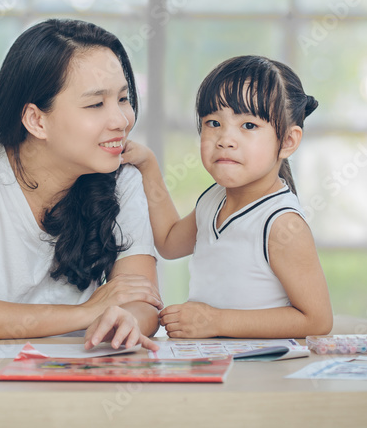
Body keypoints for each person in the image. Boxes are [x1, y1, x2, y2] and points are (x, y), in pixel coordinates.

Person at [0, 19, 162, 350]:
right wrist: (86, 313)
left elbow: (142, 302)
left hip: (65, 384)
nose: (121, 120)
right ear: (36, 120)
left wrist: (129, 320)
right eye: (96, 104)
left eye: (123, 98)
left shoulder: (122, 178)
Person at [122, 55, 333, 339]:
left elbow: (317, 320)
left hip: (261, 372)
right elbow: (170, 243)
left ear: (287, 141)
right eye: (213, 122)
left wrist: (217, 322)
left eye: (248, 126)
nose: (224, 139)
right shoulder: (214, 200)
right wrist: (149, 167)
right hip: (216, 364)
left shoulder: (282, 224)